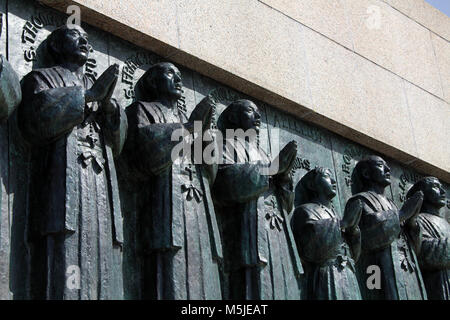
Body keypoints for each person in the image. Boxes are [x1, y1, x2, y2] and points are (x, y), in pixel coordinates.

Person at [18, 25, 127, 299]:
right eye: (75, 35)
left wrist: (111, 111)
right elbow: (35, 118)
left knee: (100, 254)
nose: (84, 40)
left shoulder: (98, 87)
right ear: (55, 46)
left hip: (98, 184)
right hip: (61, 184)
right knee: (64, 255)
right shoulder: (40, 78)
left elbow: (118, 143)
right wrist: (88, 96)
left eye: (87, 38)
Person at [124, 62, 223, 299]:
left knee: (198, 271)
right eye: (170, 74)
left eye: (180, 75)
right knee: (167, 274)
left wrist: (204, 137)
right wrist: (187, 128)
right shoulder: (142, 109)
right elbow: (144, 148)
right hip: (162, 205)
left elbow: (210, 171)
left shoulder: (188, 120)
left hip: (194, 206)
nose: (178, 80)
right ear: (153, 82)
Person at [213, 99, 303, 299]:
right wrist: (270, 169)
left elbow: (286, 207)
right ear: (234, 117)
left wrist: (284, 179)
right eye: (250, 111)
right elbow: (224, 182)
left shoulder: (262, 153)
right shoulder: (224, 145)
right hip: (246, 234)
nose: (258, 117)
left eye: (258, 113)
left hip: (274, 235)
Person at [346, 155, 427, 299]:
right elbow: (368, 232)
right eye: (380, 165)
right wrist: (402, 214)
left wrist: (412, 222)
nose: (388, 169)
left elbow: (413, 247)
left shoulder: (391, 203)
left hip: (403, 270)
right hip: (376, 270)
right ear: (366, 173)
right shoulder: (360, 200)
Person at [291, 167, 363, 299]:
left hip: (347, 273)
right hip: (327, 275)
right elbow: (309, 247)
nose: (334, 180)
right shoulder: (305, 211)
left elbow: (354, 255)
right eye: (327, 176)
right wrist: (343, 224)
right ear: (312, 185)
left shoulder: (336, 214)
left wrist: (353, 231)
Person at [406, 177, 449, 300]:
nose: (442, 191)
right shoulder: (418, 220)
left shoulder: (446, 224)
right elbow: (422, 251)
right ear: (422, 193)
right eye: (435, 187)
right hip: (437, 285)